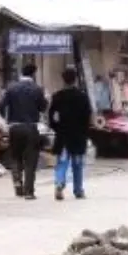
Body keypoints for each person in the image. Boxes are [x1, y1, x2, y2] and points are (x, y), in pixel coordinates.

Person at [0, 63, 48, 200]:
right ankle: (29, 192)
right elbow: (43, 107)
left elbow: (1, 106)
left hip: (14, 127)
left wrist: (7, 120)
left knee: (15, 156)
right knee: (31, 160)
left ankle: (17, 184)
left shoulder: (11, 88)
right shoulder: (37, 89)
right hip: (31, 127)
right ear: (33, 74)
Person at [48, 67, 93, 201]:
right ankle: (78, 190)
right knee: (77, 164)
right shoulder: (82, 96)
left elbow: (51, 116)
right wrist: (85, 132)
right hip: (78, 136)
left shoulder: (57, 96)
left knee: (62, 162)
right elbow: (88, 116)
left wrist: (56, 128)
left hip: (63, 135)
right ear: (75, 79)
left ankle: (59, 183)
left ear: (63, 80)